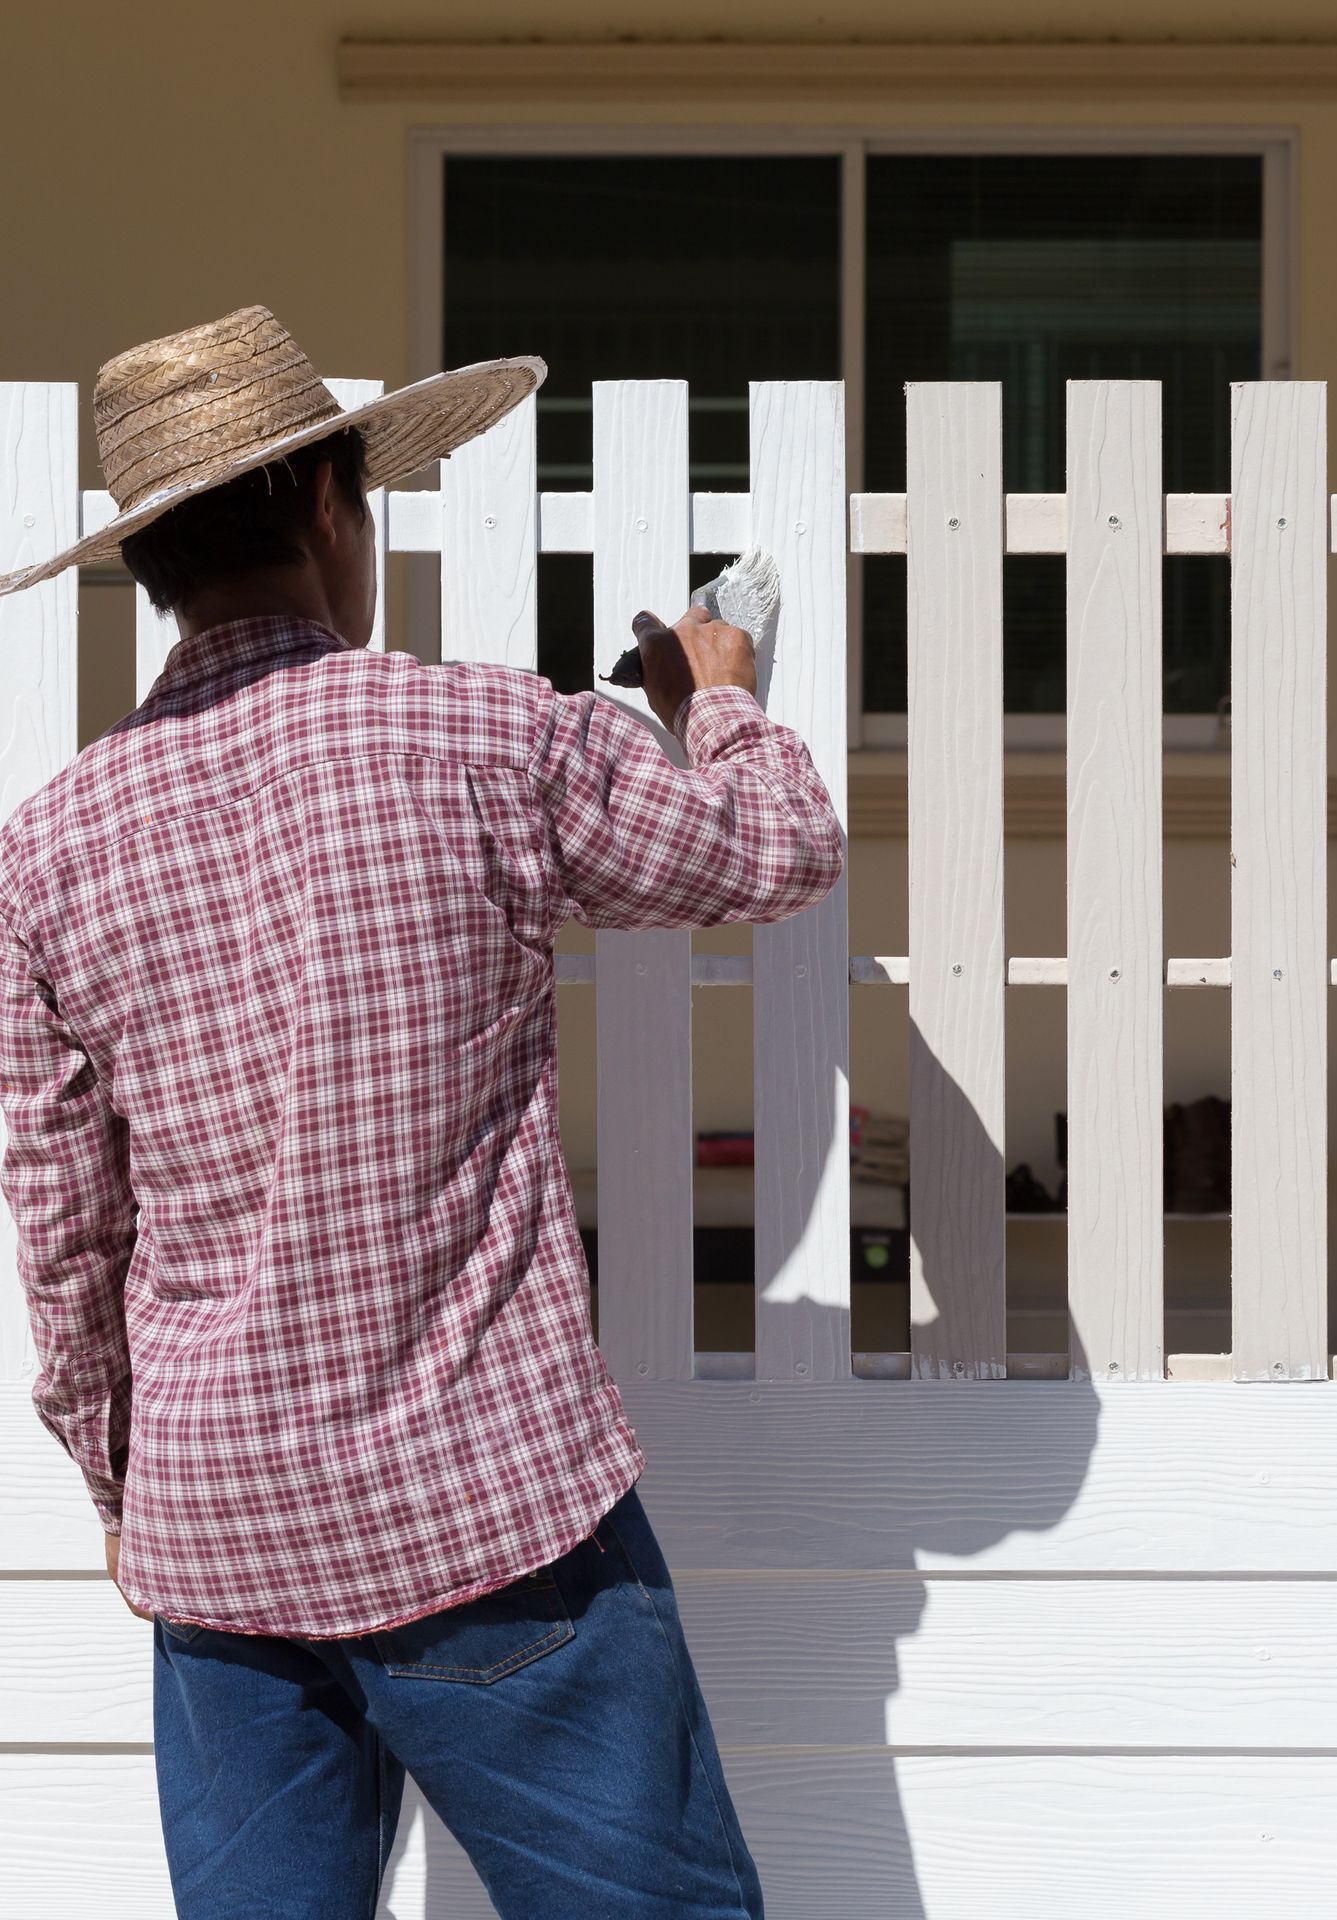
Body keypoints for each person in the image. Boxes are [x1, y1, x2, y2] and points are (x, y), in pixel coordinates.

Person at [0, 306, 844, 1917]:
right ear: (330, 505)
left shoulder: (44, 850)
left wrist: (118, 1494)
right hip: (481, 1502)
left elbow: (64, 1226)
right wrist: (720, 694)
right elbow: (774, 846)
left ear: (152, 563)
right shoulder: (480, 738)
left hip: (219, 1535)